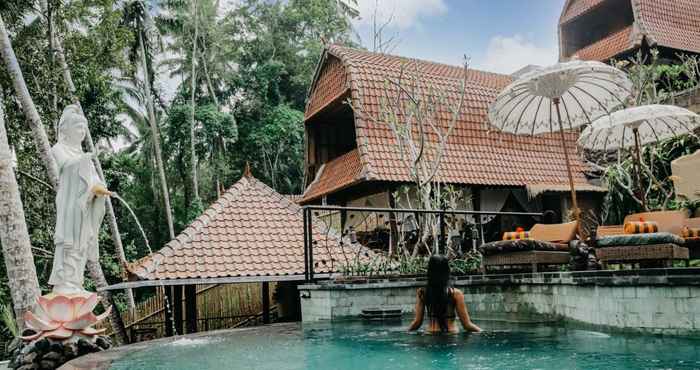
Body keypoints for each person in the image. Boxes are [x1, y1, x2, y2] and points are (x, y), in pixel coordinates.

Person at [49, 105, 112, 295]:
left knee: (82, 243)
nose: (82, 131)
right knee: (69, 242)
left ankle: (76, 281)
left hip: (84, 207)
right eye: (78, 127)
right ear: (66, 130)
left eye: (84, 128)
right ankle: (64, 281)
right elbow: (66, 167)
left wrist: (98, 189)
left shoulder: (81, 154)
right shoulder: (58, 149)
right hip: (70, 205)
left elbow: (93, 180)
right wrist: (88, 157)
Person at [408, 255, 482, 334]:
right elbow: (467, 325)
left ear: (429, 271)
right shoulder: (456, 294)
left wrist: (407, 331)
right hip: (451, 334)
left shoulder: (422, 293)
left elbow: (417, 322)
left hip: (431, 334)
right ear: (447, 270)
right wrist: (482, 332)